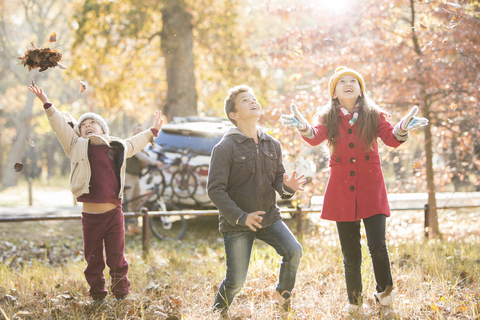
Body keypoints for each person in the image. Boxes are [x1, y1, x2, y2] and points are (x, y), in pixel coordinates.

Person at [281, 66, 428, 319]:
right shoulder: (328, 117)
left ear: (360, 90)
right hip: (341, 192)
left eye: (353, 81)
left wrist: (403, 127)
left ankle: (385, 296)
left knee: (378, 246)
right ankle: (354, 302)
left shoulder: (374, 114)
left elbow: (391, 138)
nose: (348, 84)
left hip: (371, 189)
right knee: (350, 252)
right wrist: (303, 126)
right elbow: (315, 138)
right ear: (334, 93)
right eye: (342, 82)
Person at [28, 84, 164, 305]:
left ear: (103, 129)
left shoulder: (116, 146)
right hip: (90, 217)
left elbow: (135, 142)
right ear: (79, 132)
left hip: (114, 214)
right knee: (93, 259)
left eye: (93, 123)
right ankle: (98, 296)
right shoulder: (75, 145)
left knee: (116, 257)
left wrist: (152, 131)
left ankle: (120, 294)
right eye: (84, 125)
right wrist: (46, 101)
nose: (88, 126)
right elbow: (59, 125)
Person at [207, 84, 306, 317]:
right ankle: (217, 311)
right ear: (233, 114)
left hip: (268, 217)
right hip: (237, 222)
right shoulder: (225, 147)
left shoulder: (273, 144)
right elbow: (215, 190)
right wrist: (241, 217)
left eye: (254, 99)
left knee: (294, 251)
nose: (253, 102)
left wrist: (287, 188)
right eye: (245, 100)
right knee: (236, 282)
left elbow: (277, 181)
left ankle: (281, 298)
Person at [124, 123, 164, 214]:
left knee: (137, 201)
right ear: (133, 131)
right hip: (128, 176)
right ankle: (125, 225)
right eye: (137, 130)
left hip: (137, 176)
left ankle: (135, 225)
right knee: (128, 201)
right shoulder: (130, 142)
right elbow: (141, 156)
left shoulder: (141, 144)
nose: (139, 131)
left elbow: (145, 157)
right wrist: (154, 162)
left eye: (141, 130)